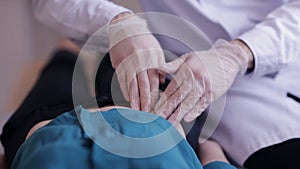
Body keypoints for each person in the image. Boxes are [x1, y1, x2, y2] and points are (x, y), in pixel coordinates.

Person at [30, 0, 300, 168]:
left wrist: (240, 53)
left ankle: (66, 58)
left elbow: (35, 132)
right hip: (194, 80)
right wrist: (118, 22)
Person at [0, 41, 236, 169]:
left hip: (46, 125)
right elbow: (214, 157)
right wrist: (205, 139)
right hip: (159, 114)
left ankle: (73, 53)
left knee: (68, 58)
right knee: (156, 70)